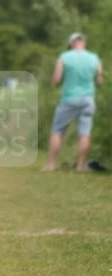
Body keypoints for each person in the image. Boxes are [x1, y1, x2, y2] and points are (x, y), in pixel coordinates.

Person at [44, 33, 104, 173]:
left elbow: (56, 79)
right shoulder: (94, 58)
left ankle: (51, 165)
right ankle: (81, 166)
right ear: (84, 43)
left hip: (69, 99)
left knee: (57, 131)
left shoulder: (64, 57)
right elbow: (100, 81)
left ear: (71, 43)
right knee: (84, 133)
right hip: (88, 99)